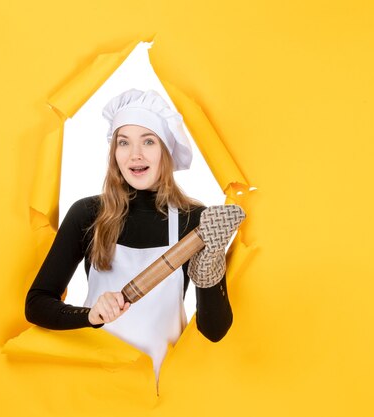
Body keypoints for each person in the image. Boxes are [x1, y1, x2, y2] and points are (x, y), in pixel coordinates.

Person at [25, 89, 233, 376]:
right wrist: (91, 315)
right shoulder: (88, 214)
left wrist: (210, 267)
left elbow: (214, 331)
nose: (135, 154)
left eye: (148, 141)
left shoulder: (194, 221)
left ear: (166, 150)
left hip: (160, 390)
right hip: (95, 383)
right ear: (115, 153)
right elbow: (37, 304)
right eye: (124, 143)